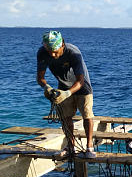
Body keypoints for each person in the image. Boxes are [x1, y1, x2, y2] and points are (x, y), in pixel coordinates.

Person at [37, 30, 96, 159]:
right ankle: (70, 146)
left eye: (55, 51)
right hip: (63, 86)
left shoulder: (73, 53)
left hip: (82, 86)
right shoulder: (42, 53)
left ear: (62, 45)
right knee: (65, 117)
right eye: (49, 51)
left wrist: (68, 93)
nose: (52, 54)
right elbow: (40, 77)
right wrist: (47, 88)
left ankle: (89, 146)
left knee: (87, 115)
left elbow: (80, 81)